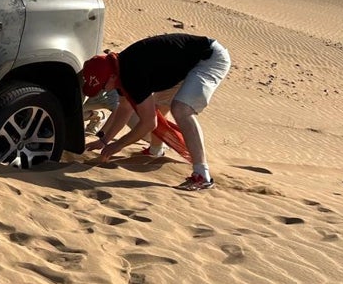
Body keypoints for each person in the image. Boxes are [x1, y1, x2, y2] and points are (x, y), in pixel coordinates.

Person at [81, 33, 231, 191]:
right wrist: (105, 141)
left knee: (181, 109)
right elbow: (124, 108)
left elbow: (149, 123)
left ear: (111, 77)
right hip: (181, 66)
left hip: (208, 59)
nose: (103, 91)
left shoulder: (132, 74)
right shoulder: (119, 68)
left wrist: (117, 145)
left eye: (102, 86)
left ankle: (202, 175)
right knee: (156, 108)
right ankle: (156, 151)